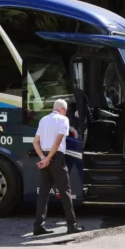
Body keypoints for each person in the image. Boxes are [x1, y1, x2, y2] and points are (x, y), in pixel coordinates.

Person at [32, 98, 83, 236]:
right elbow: (58, 142)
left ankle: (38, 226)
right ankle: (72, 225)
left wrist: (43, 158)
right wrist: (48, 159)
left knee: (43, 194)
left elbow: (35, 142)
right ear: (63, 110)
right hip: (56, 158)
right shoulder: (63, 120)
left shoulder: (43, 120)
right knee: (65, 192)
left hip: (45, 157)